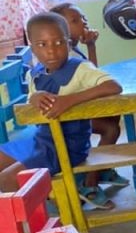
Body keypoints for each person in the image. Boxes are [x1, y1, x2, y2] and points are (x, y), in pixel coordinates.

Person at [0, 12, 122, 205]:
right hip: (42, 140)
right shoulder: (35, 73)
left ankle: (37, 227)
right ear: (32, 48)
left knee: (7, 178)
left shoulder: (80, 68)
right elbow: (32, 96)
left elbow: (113, 86)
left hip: (66, 147)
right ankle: (46, 199)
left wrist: (68, 100)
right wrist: (34, 97)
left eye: (59, 43)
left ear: (68, 42)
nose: (52, 51)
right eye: (43, 44)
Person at [50, 2, 128, 195]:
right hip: (67, 116)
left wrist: (91, 46)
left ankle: (102, 167)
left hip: (78, 110)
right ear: (60, 28)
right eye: (75, 20)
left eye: (83, 18)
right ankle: (90, 180)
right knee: (111, 128)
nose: (83, 23)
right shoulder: (63, 55)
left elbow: (91, 75)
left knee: (113, 116)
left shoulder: (74, 49)